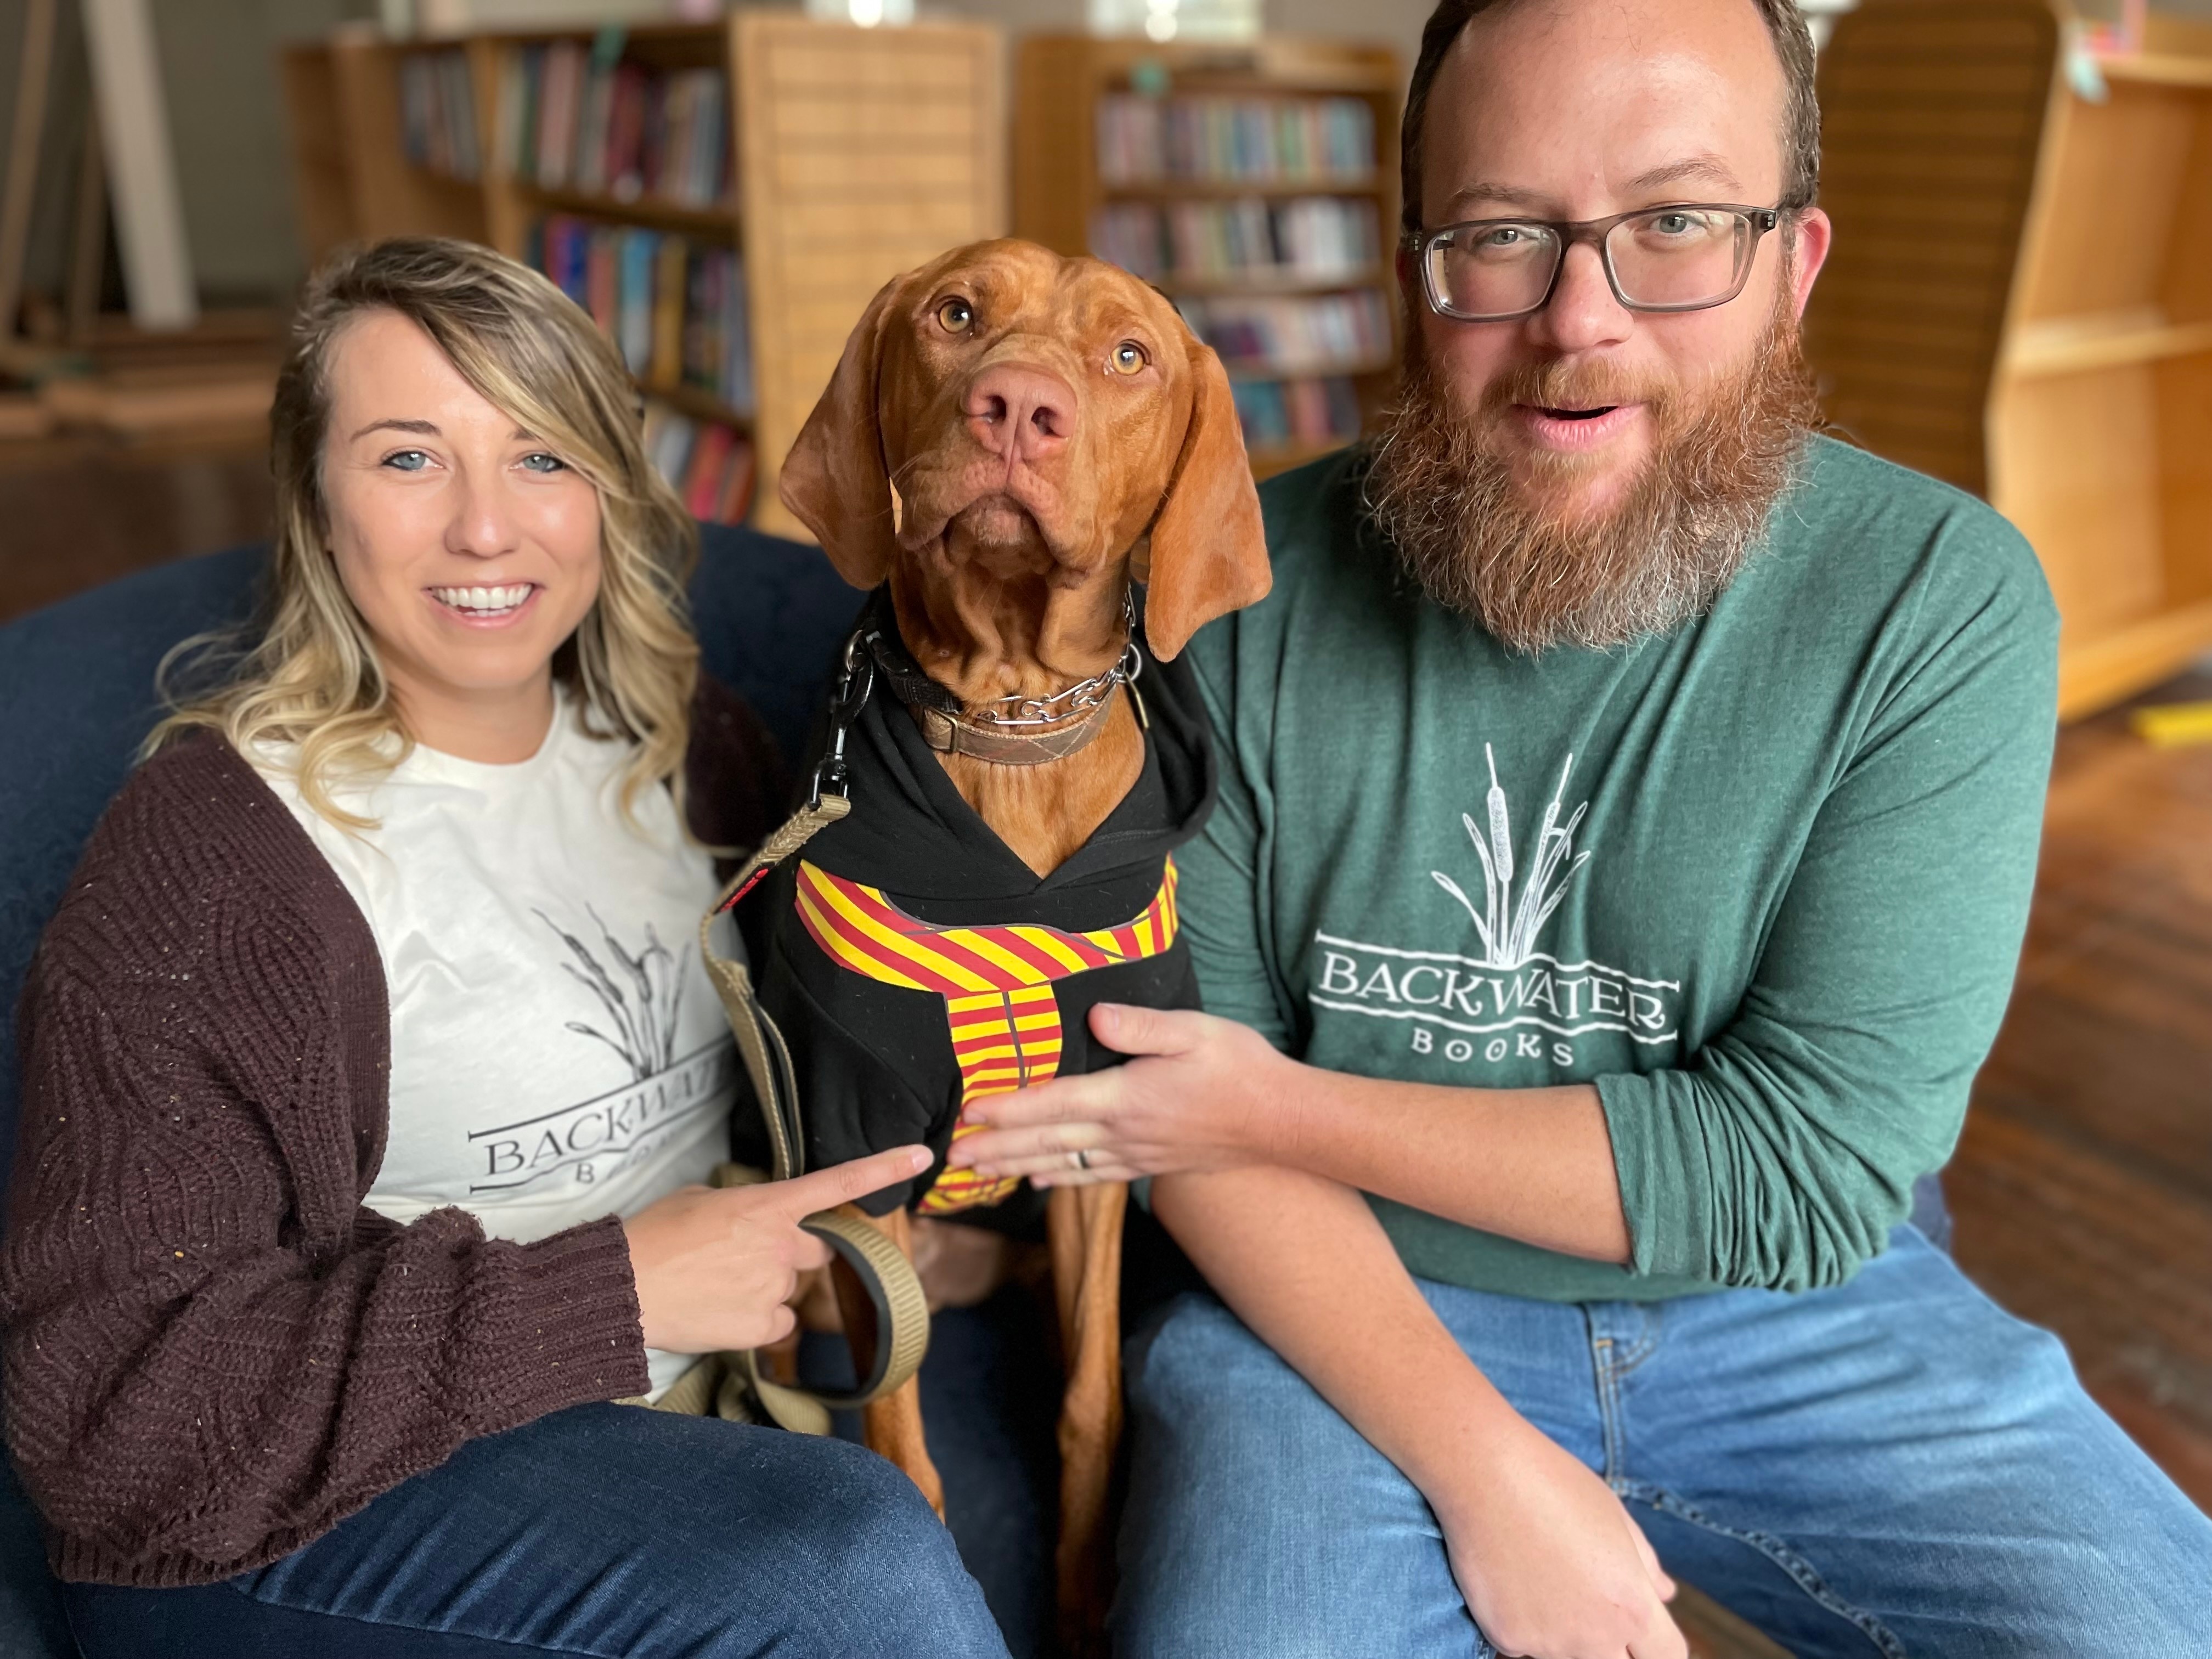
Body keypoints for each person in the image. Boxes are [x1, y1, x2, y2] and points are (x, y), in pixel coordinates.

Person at [948, 2, 2212, 1655]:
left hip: (1790, 1311)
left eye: (1676, 225)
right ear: (1415, 266)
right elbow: (1185, 1127)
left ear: (1795, 262)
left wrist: (1274, 1104)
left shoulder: (1939, 599)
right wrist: (1490, 1469)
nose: (1579, 324)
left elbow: (1807, 1178)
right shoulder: (1219, 596)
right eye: (1502, 235)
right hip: (1330, 1309)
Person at [2, 238, 1008, 1659]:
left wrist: (903, 1225)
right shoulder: (218, 865)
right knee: (853, 1583)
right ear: (315, 505)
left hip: (666, 1404)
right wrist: (618, 1293)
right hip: (303, 1509)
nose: (488, 528)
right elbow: (115, 1419)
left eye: (540, 456)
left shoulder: (687, 747)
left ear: (606, 493)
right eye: (410, 459)